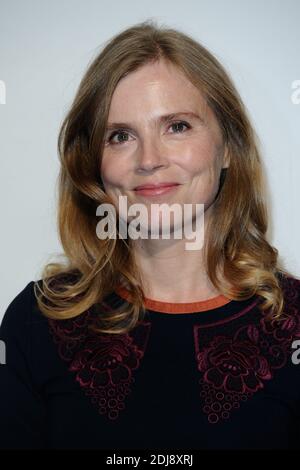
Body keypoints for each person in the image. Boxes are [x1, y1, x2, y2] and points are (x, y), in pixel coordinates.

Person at [0, 20, 300, 450]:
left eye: (177, 126)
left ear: (229, 146)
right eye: (120, 136)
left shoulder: (294, 326)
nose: (149, 159)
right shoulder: (37, 321)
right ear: (93, 165)